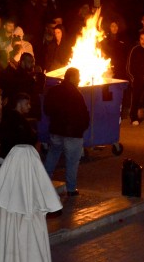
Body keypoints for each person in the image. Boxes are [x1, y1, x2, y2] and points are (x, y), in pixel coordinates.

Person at [43, 68, 89, 196]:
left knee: (52, 155)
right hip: (72, 134)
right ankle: (71, 189)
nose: (79, 79)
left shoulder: (53, 91)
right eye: (78, 76)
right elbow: (83, 115)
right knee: (72, 162)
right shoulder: (76, 94)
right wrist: (82, 128)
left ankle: (44, 181)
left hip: (56, 132)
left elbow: (47, 109)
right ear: (72, 77)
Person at [0, 92, 38, 159]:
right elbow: (25, 138)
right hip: (17, 156)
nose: (29, 106)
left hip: (10, 154)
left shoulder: (10, 117)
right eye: (27, 104)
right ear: (19, 104)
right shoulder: (18, 120)